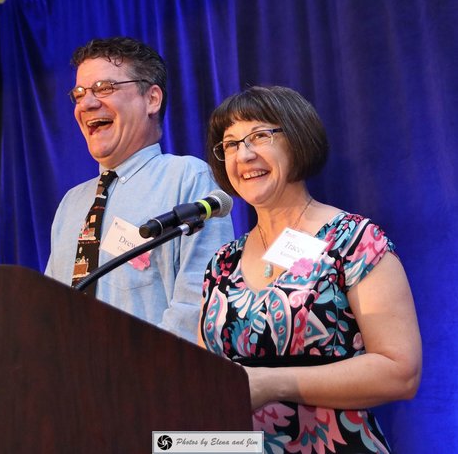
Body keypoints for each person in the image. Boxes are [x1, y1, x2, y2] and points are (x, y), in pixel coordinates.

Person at [198, 86, 422, 453]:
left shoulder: (353, 241)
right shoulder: (222, 264)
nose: (245, 154)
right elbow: (205, 378)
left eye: (259, 136)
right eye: (231, 144)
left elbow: (401, 371)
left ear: (298, 139)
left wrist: (273, 383)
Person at [45, 36, 234, 343]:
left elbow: (198, 304)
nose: (87, 103)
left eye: (104, 88)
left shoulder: (186, 177)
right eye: (79, 94)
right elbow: (49, 307)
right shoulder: (71, 203)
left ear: (152, 99)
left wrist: (140, 377)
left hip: (150, 383)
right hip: (70, 383)